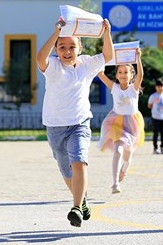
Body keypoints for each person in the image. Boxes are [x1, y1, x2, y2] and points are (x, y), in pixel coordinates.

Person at [36, 17, 114, 227]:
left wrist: (106, 33)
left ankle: (76, 207)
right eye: (62, 47)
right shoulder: (52, 65)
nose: (67, 51)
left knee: (79, 162)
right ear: (57, 49)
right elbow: (40, 57)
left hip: (79, 124)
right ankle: (83, 200)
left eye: (72, 46)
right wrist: (56, 32)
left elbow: (108, 55)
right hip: (54, 127)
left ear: (80, 48)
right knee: (66, 171)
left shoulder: (87, 65)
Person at [96, 48, 145, 194]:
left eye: (126, 72)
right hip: (116, 123)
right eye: (120, 72)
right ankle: (115, 183)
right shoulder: (114, 87)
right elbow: (100, 74)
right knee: (117, 150)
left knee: (127, 156)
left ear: (131, 75)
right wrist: (102, 59)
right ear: (116, 75)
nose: (123, 75)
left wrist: (138, 59)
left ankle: (125, 169)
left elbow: (141, 75)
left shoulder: (133, 88)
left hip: (132, 124)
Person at [147, 78, 163, 154]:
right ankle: (155, 148)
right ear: (156, 87)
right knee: (156, 133)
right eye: (158, 86)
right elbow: (149, 105)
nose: (160, 88)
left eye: (162, 86)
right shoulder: (153, 96)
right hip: (155, 117)